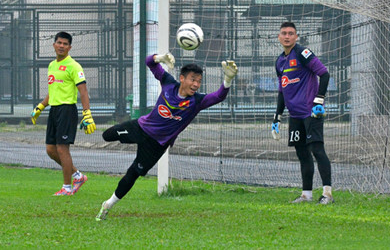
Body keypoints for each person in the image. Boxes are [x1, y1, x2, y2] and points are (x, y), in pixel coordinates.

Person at [95, 53, 238, 221]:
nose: (196, 84)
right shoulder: (169, 83)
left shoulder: (197, 101)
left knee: (133, 173)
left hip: (157, 144)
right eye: (193, 79)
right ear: (182, 78)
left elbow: (218, 96)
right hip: (141, 128)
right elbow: (149, 62)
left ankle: (108, 205)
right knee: (107, 135)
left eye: (199, 81)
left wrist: (227, 80)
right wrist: (160, 58)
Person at [271, 22, 334, 204]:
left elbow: (324, 74)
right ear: (279, 37)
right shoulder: (279, 62)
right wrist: (277, 117)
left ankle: (327, 194)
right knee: (302, 153)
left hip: (310, 112)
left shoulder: (302, 53)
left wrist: (319, 100)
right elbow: (282, 91)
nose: (287, 36)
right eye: (284, 33)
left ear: (296, 37)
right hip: (295, 115)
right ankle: (306, 195)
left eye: (291, 33)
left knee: (317, 149)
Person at [31, 31, 96, 196]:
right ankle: (77, 176)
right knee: (50, 150)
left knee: (62, 149)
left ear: (69, 47)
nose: (61, 46)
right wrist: (40, 106)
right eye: (59, 43)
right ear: (54, 45)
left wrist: (87, 113)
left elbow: (83, 91)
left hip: (67, 110)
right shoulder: (52, 65)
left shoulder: (74, 66)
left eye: (65, 44)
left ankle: (67, 188)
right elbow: (52, 90)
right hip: (54, 110)